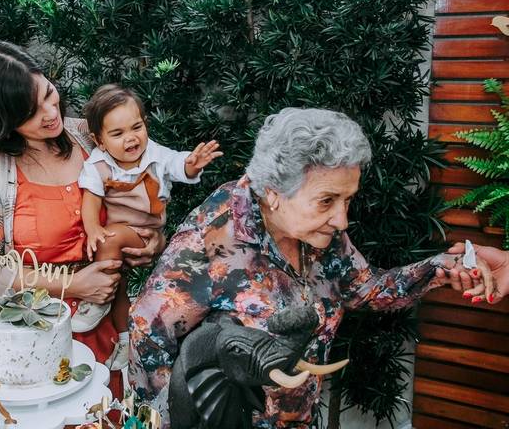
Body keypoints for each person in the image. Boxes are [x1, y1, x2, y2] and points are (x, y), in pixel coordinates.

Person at [128, 107, 506, 428]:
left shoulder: (320, 233)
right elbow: (148, 339)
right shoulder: (210, 244)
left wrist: (444, 267)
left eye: (348, 200)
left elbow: (364, 289)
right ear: (274, 193)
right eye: (327, 201)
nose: (342, 220)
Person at [0, 41, 164, 397]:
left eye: (47, 92)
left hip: (109, 327)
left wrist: (152, 241)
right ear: (2, 120)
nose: (49, 113)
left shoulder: (91, 141)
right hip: (36, 343)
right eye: (30, 112)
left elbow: (139, 200)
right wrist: (72, 286)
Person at [74, 84, 222, 369]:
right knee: (117, 289)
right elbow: (90, 201)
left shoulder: (155, 155)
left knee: (109, 254)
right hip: (112, 239)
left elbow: (178, 164)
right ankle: (124, 338)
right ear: (99, 140)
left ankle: (99, 301)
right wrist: (92, 228)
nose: (131, 139)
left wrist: (193, 165)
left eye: (136, 127)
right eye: (117, 134)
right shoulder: (97, 165)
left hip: (143, 234)